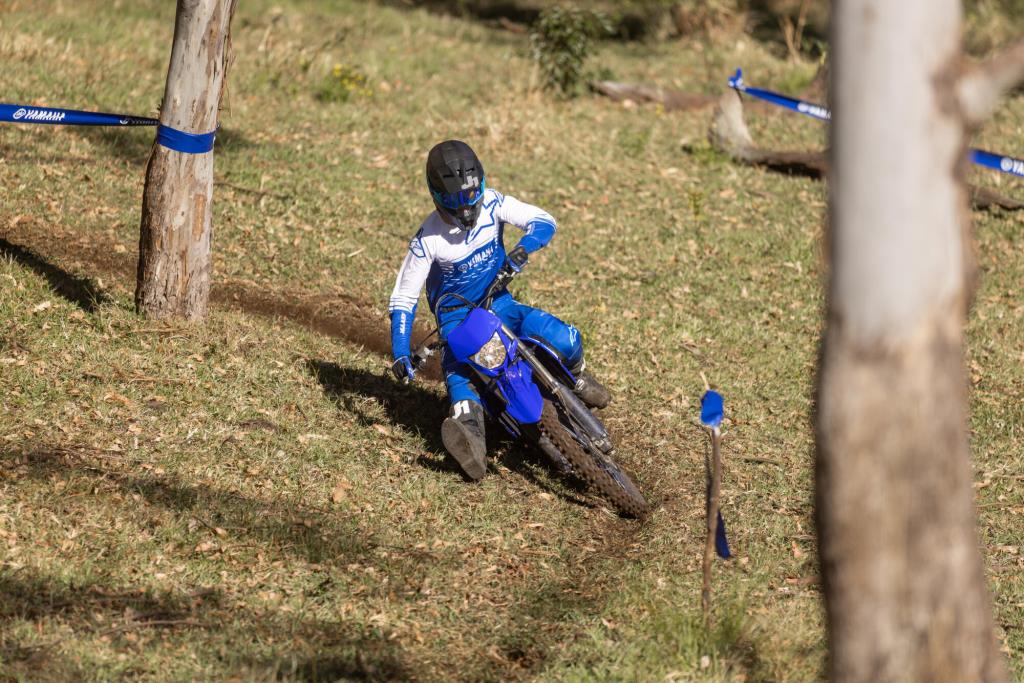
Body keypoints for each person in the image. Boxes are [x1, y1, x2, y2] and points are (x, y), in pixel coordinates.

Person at [388, 139, 610, 480]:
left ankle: (577, 376)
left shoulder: (494, 204)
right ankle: (471, 447)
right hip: (456, 323)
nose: (465, 209)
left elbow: (543, 220)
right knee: (462, 388)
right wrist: (402, 352)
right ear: (436, 196)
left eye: (470, 195)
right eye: (454, 201)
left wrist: (524, 248)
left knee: (562, 338)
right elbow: (404, 298)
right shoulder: (427, 240)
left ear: (481, 184)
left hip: (499, 301)